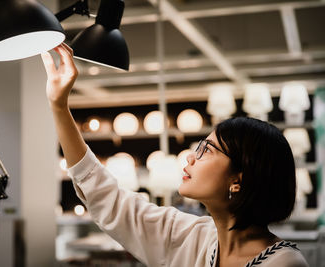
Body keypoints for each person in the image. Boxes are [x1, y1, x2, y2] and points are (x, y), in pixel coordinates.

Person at [41, 44, 309, 267]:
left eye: (206, 150)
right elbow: (107, 198)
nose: (191, 158)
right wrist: (60, 106)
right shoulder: (195, 237)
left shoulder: (284, 263)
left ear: (238, 179)